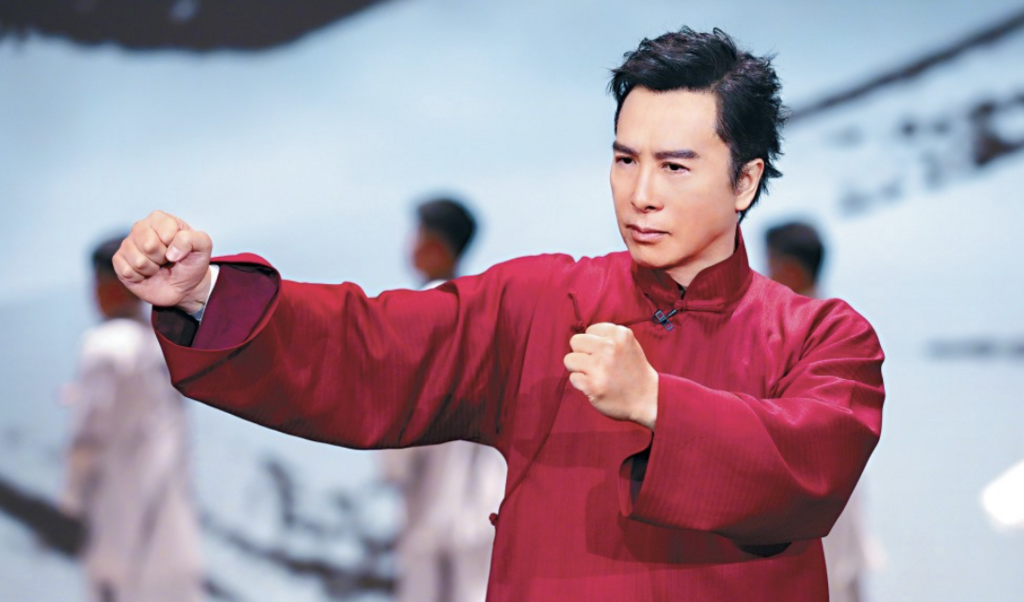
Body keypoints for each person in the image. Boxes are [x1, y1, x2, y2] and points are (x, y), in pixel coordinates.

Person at [113, 27, 885, 602]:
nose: (641, 194)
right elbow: (370, 348)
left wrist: (658, 403)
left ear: (745, 181)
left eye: (675, 166)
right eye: (624, 159)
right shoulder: (541, 303)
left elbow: (811, 469)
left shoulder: (823, 338)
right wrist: (205, 295)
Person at [62, 236, 204, 602]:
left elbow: (87, 439)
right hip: (172, 528)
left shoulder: (104, 346)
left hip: (121, 531)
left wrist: (71, 502)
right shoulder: (166, 342)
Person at [380, 197, 507, 602]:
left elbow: (401, 406)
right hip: (481, 488)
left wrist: (394, 464)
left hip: (436, 485)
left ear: (435, 246)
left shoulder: (420, 309)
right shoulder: (479, 308)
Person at [765, 221, 878, 602]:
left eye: (770, 264)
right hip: (832, 484)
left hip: (811, 487)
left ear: (790, 270)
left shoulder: (797, 332)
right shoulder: (838, 328)